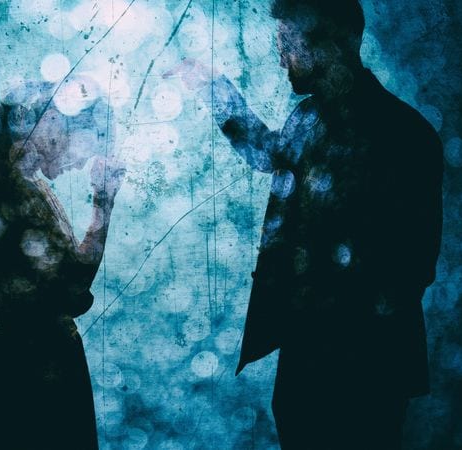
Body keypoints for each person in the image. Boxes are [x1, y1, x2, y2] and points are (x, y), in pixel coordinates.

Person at [169, 0, 443, 448]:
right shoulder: (312, 119)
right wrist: (212, 89)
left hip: (362, 370)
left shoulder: (405, 136)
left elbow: (415, 264)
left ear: (332, 42)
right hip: (317, 361)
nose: (281, 58)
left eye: (288, 42)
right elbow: (270, 156)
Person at [0, 81, 124, 450]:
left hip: (25, 364)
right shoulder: (11, 189)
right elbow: (74, 284)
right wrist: (103, 202)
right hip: (37, 371)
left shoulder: (15, 184)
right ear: (49, 121)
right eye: (85, 142)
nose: (82, 161)